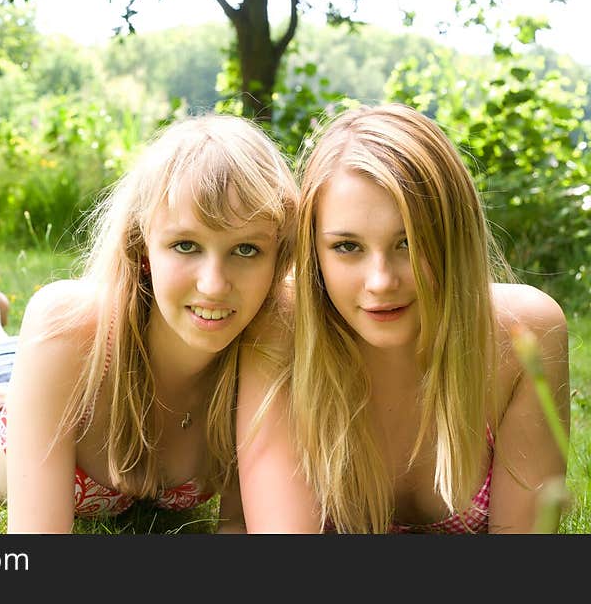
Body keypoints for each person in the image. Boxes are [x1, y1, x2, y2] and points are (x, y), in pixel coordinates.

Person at [0, 113, 299, 533]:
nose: (213, 285)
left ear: (278, 257)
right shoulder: (64, 323)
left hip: (54, 374)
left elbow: (241, 525)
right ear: (142, 248)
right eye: (186, 245)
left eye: (246, 250)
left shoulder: (269, 342)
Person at [236, 102, 570, 533]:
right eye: (347, 247)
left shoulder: (523, 335)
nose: (380, 281)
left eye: (408, 243)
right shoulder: (282, 333)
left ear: (454, 236)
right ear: (313, 252)